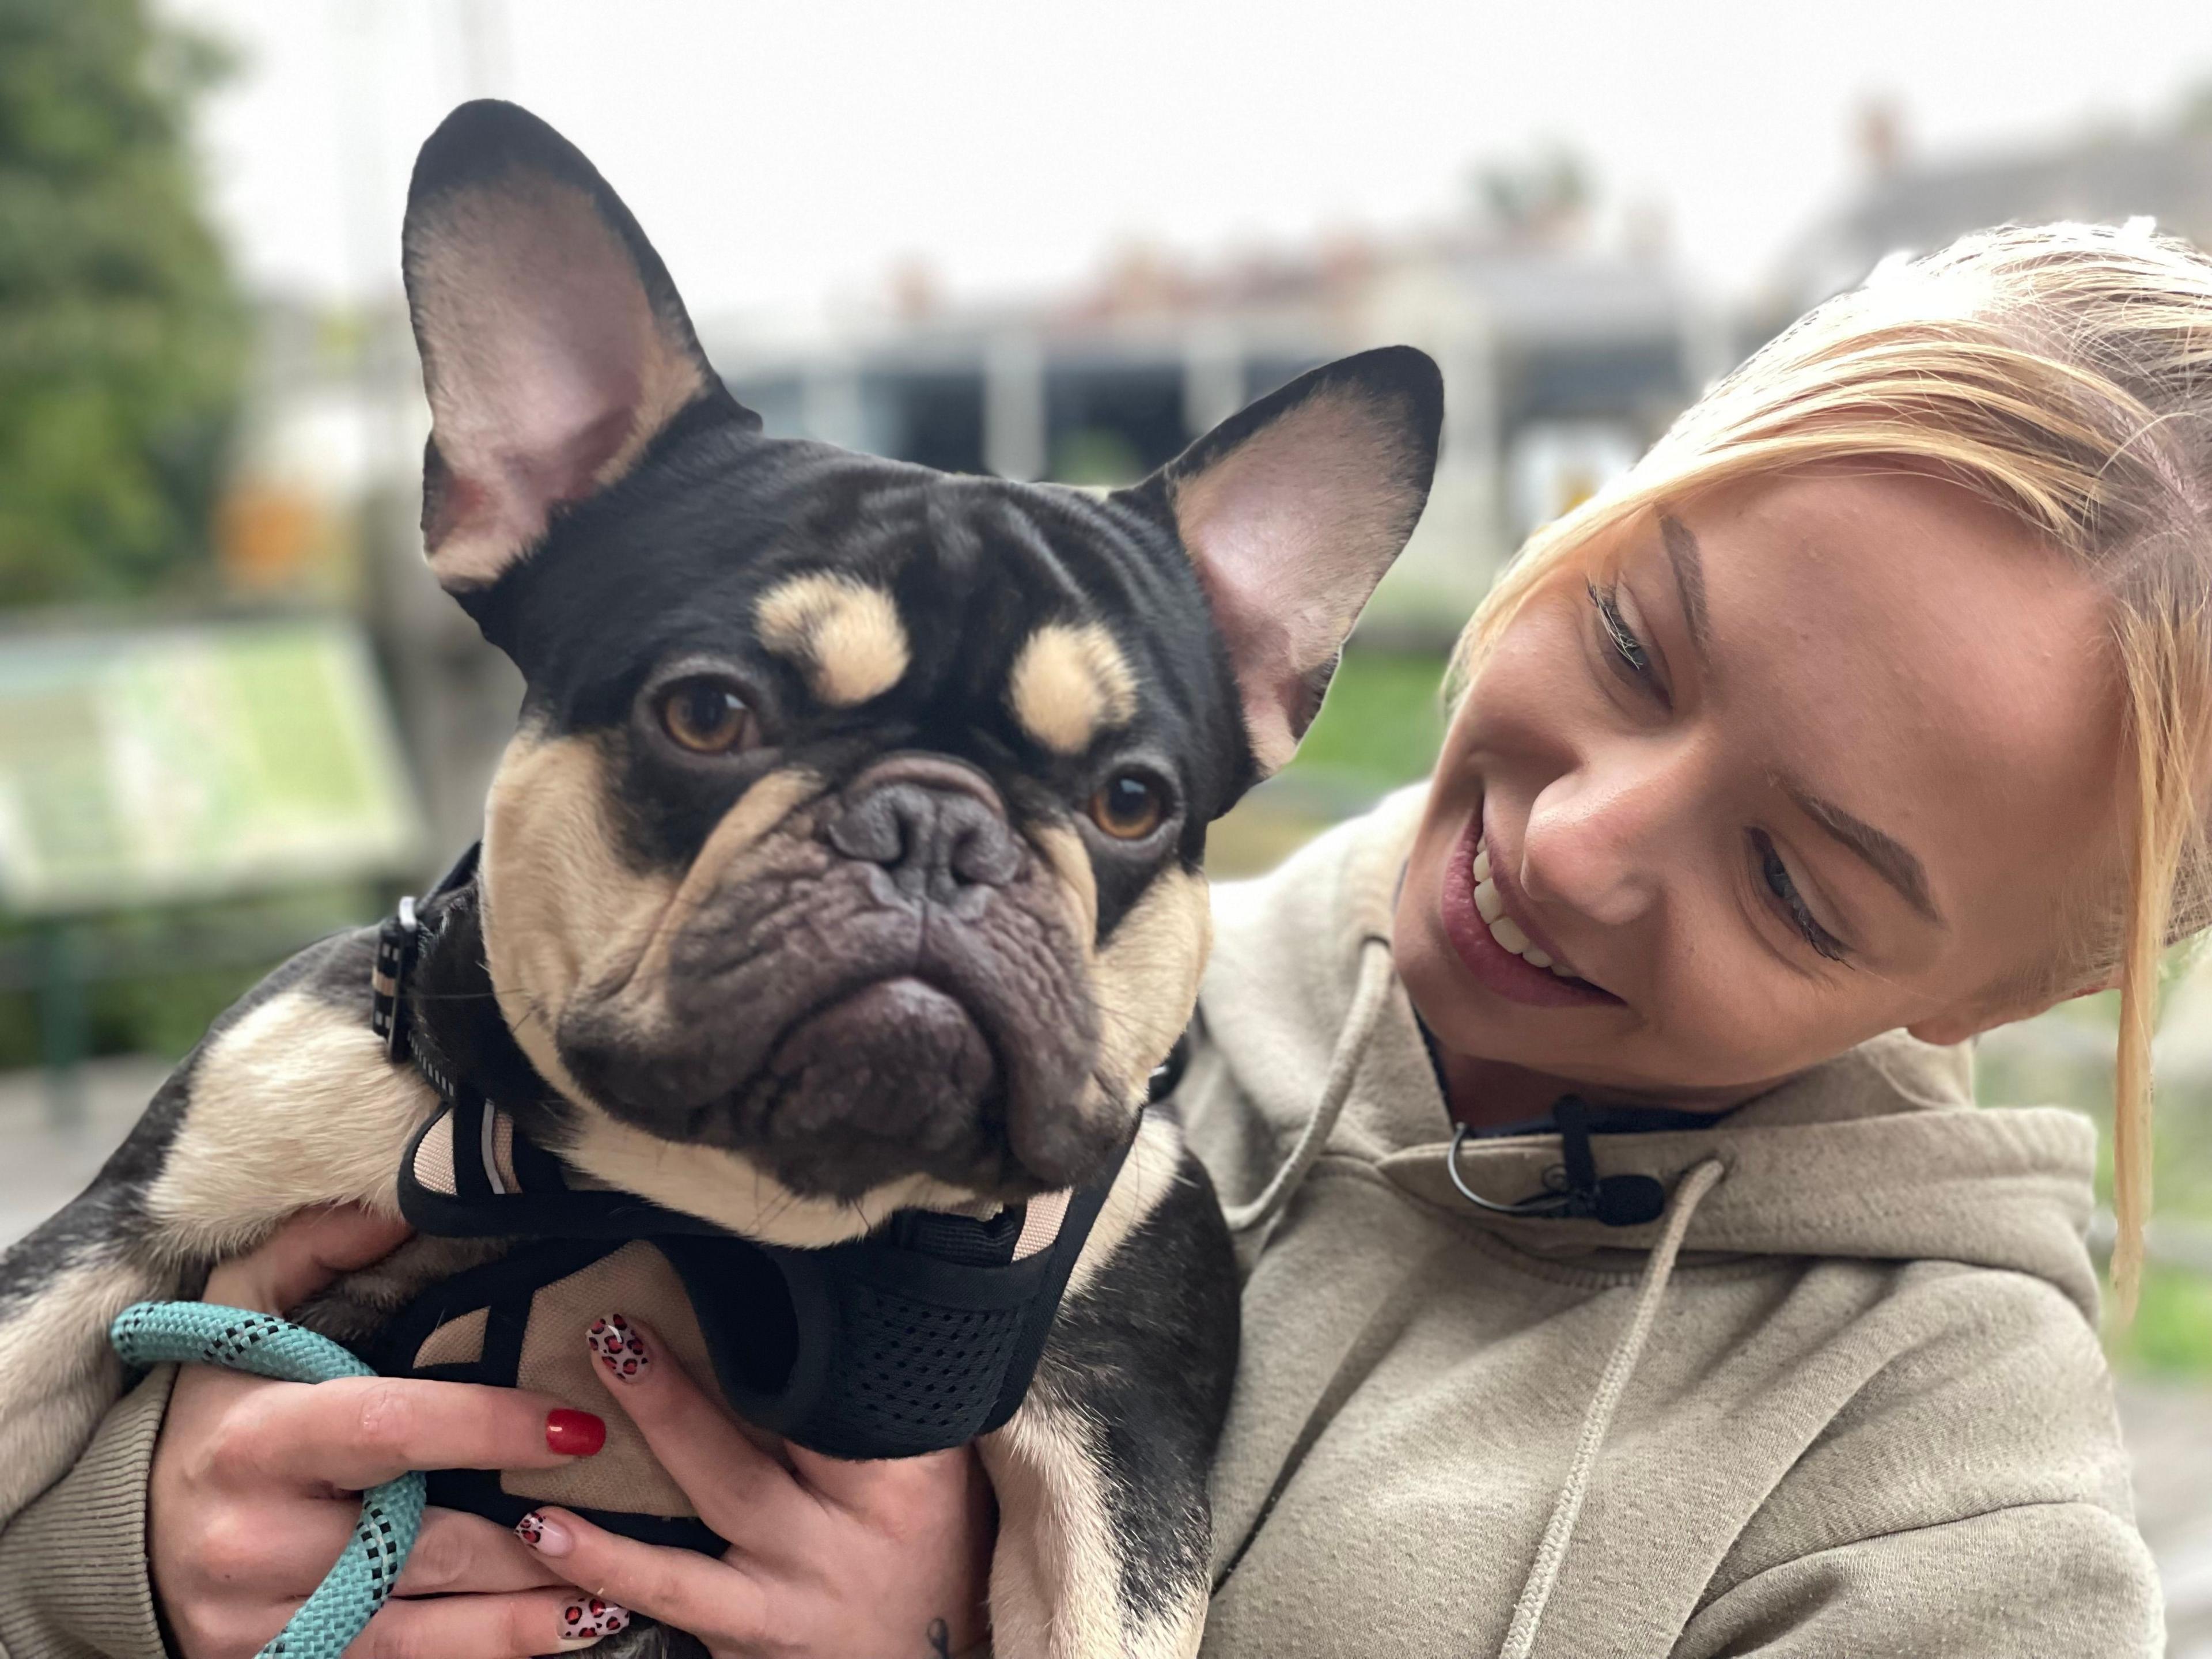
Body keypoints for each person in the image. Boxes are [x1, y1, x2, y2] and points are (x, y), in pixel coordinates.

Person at [1, 219, 2192, 1657]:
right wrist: (149, 1557)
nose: (1587, 832)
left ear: (2005, 995)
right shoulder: (1125, 998)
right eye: (1629, 639)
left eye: (1798, 878)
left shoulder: (1941, 1482)